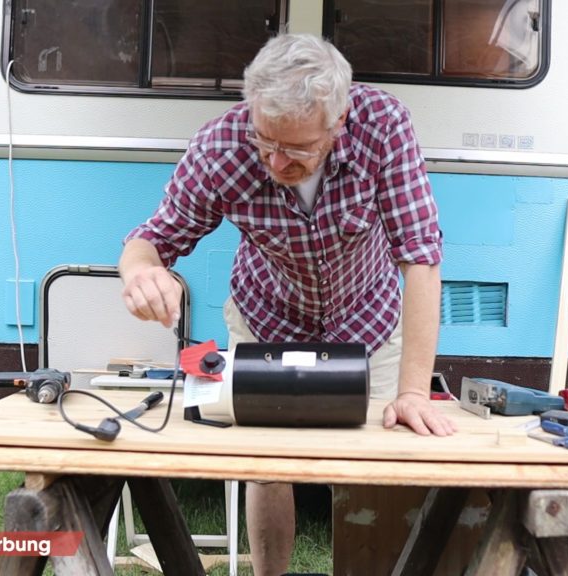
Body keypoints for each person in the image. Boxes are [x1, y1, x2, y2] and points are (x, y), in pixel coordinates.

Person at [119, 33, 455, 576]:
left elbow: (420, 258)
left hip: (370, 317)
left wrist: (415, 390)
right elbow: (152, 238)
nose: (276, 161)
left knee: (389, 456)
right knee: (265, 466)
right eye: (265, 140)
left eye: (297, 148)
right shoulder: (220, 147)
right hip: (266, 316)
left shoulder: (384, 126)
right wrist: (140, 273)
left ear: (338, 121)